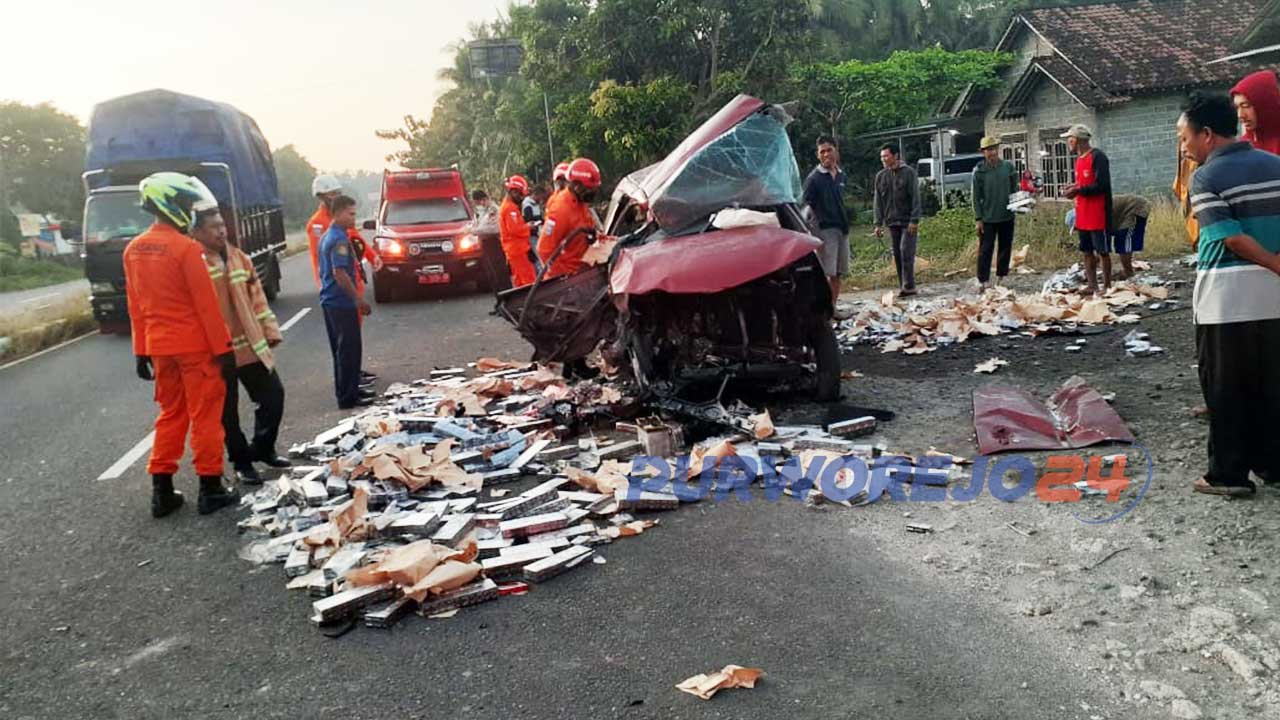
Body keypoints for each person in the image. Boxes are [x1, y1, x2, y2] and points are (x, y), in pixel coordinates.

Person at [1177, 91, 1280, 497]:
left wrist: (1273, 263)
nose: (1184, 147)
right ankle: (1273, 464)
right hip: (1273, 296)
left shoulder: (1205, 177)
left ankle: (1228, 474)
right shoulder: (1275, 164)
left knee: (1225, 386)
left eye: (1185, 138)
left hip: (1227, 299)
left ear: (1206, 134)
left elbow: (1230, 238)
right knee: (1272, 382)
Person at [123, 172, 238, 518]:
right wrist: (224, 349)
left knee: (171, 414)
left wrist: (140, 350)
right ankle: (210, 487)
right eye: (186, 205)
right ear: (169, 205)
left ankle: (162, 489)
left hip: (159, 348)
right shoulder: (186, 248)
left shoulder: (133, 250)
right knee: (205, 415)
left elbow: (135, 305)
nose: (189, 212)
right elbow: (206, 305)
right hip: (194, 347)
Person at [190, 203, 290, 486]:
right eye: (213, 227)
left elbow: (258, 299)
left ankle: (262, 448)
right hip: (218, 353)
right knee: (228, 414)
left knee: (273, 397)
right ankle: (242, 463)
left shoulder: (239, 258)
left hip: (250, 347)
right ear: (197, 232)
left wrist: (270, 330)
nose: (221, 231)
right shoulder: (195, 262)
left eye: (222, 225)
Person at [306, 175, 378, 388]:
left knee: (351, 341)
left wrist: (374, 258)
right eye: (332, 194)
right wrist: (327, 285)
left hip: (349, 283)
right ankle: (349, 386)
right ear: (322, 197)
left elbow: (358, 241)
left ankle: (353, 376)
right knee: (345, 342)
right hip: (339, 289)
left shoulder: (341, 223)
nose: (336, 196)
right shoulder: (319, 225)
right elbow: (321, 260)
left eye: (337, 193)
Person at [319, 195, 374, 409]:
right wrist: (359, 300)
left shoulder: (330, 234)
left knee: (341, 350)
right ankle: (348, 398)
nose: (354, 218)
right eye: (351, 214)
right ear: (339, 212)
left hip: (331, 301)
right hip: (340, 302)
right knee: (348, 350)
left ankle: (349, 389)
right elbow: (340, 273)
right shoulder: (338, 239)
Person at [1062, 125, 1113, 295]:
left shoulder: (1098, 157)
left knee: (1103, 250)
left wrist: (1079, 190)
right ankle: (1092, 284)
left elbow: (1102, 185)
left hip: (1098, 211)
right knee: (1086, 249)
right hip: (1082, 212)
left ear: (1078, 139)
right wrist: (1074, 187)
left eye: (1070, 138)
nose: (1068, 142)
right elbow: (1085, 183)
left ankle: (1106, 285)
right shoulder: (1079, 159)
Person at [802, 135, 851, 304]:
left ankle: (833, 309)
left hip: (842, 229)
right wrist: (815, 237)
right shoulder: (813, 179)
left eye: (829, 150)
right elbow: (806, 211)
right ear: (817, 155)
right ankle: (821, 313)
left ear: (836, 151)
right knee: (825, 274)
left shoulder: (841, 175)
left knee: (838, 273)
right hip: (824, 231)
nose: (826, 155)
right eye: (822, 152)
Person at [538, 158, 600, 279]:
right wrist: (563, 276)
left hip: (582, 270)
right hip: (568, 279)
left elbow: (587, 226)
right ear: (577, 186)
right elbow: (543, 249)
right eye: (590, 189)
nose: (593, 193)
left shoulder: (581, 202)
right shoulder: (560, 210)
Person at [873, 143, 922, 297]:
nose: (883, 159)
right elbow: (878, 201)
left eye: (886, 156)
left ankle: (908, 286)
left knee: (905, 250)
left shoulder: (909, 173)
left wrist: (915, 220)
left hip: (908, 221)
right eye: (882, 157)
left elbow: (915, 197)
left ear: (895, 156)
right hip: (891, 221)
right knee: (897, 254)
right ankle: (905, 286)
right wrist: (877, 223)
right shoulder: (881, 176)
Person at [972, 136, 1018, 290]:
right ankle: (983, 279)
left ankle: (1001, 277)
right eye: (988, 150)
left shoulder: (1008, 167)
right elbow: (976, 197)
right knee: (985, 249)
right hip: (988, 217)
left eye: (993, 149)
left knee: (1005, 247)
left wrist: (1020, 204)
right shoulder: (979, 171)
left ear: (997, 149)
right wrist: (978, 218)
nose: (992, 153)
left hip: (1007, 215)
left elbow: (1015, 190)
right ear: (983, 153)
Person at [499, 175, 537, 286]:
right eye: (520, 194)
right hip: (518, 250)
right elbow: (514, 229)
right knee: (529, 280)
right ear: (513, 192)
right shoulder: (510, 208)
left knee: (520, 281)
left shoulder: (508, 207)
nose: (521, 198)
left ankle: (521, 302)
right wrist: (528, 227)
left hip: (515, 250)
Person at [1231, 70, 1280, 155]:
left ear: (1265, 104)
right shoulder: (1239, 149)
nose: (1240, 115)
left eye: (1246, 106)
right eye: (1237, 107)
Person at [1109, 194, 1151, 280]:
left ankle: (1129, 273)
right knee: (1121, 242)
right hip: (1121, 215)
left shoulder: (1091, 216)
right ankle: (1127, 271)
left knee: (1124, 242)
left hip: (1137, 208)